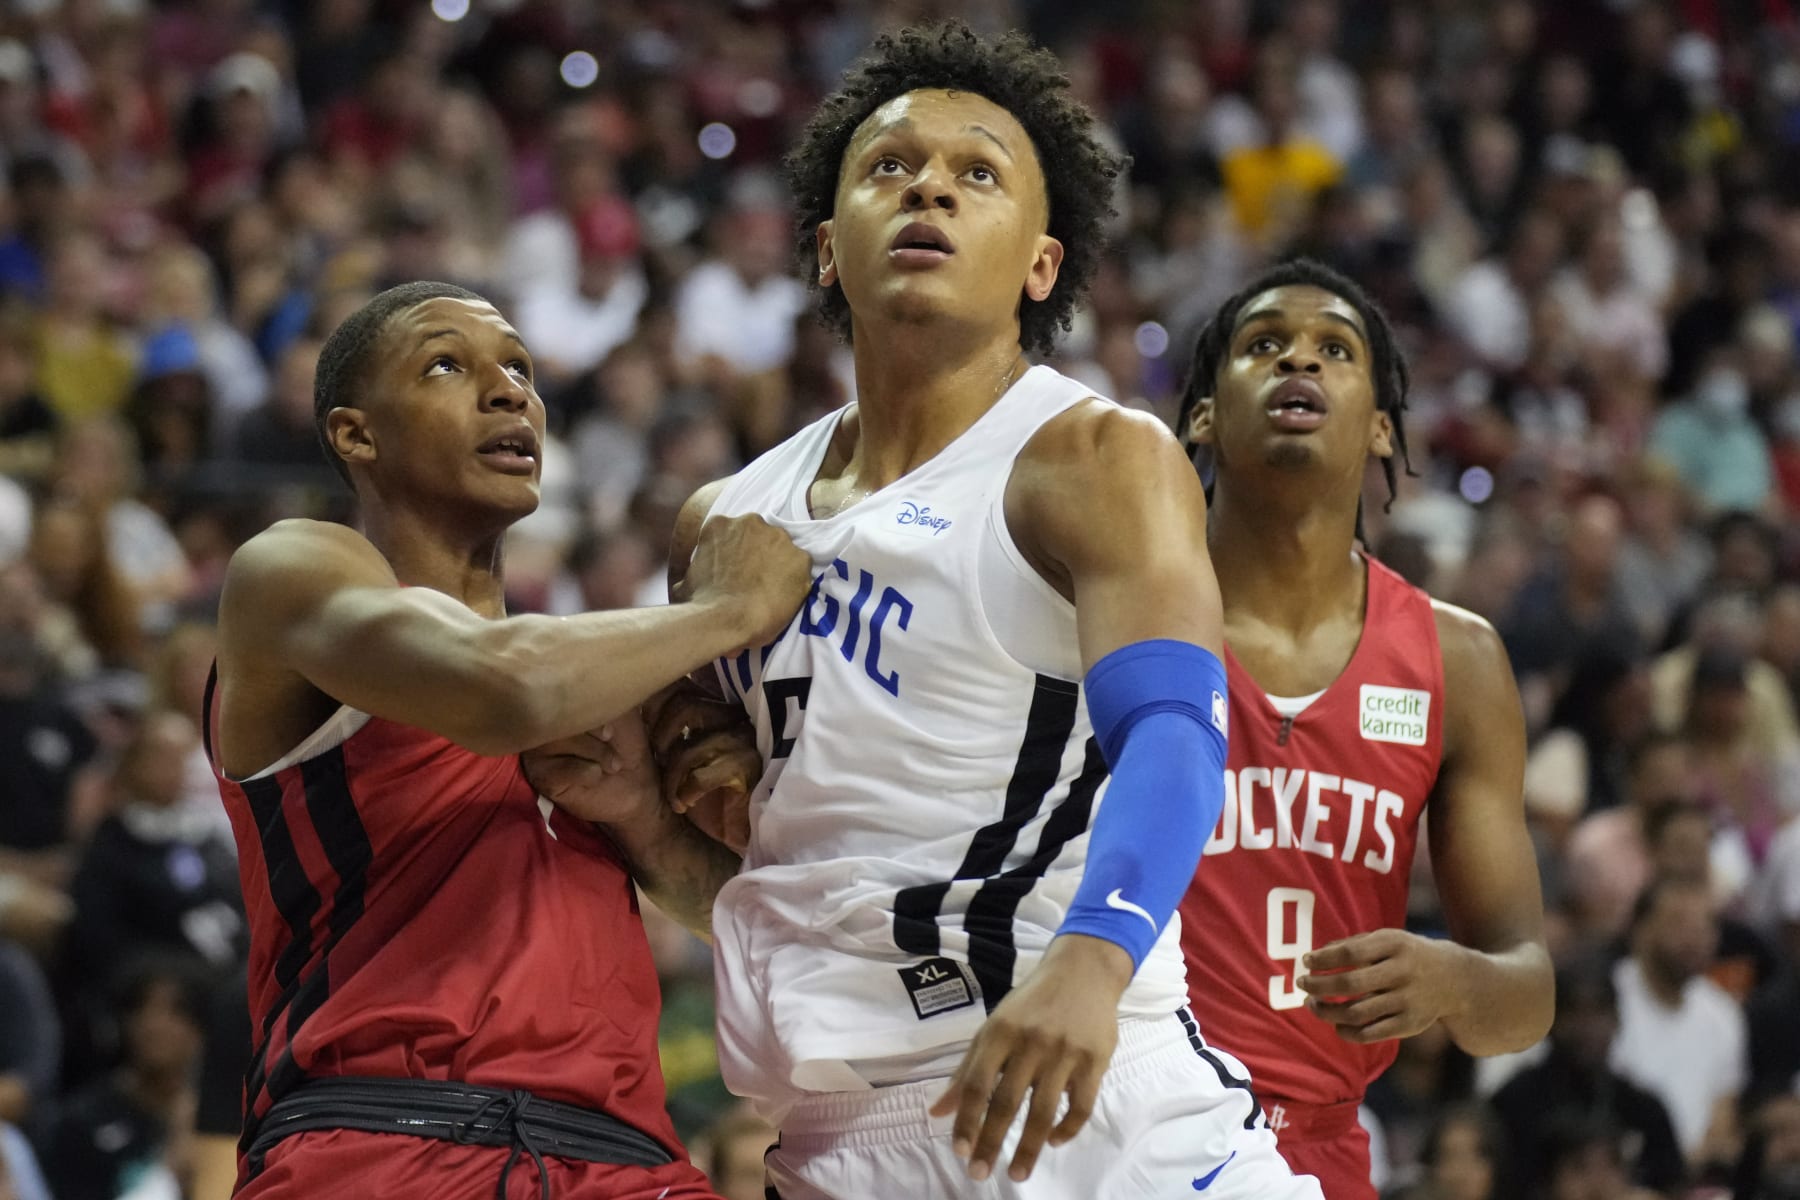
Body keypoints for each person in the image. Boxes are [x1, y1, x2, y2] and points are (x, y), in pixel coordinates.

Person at [534, 23, 1320, 1200]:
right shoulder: (724, 523)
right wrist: (650, 828)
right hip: (835, 1136)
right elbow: (793, 886)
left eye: (979, 172)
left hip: (1086, 1100)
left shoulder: (1089, 458)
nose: (931, 188)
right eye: (890, 167)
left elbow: (1177, 734)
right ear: (822, 249)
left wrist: (1094, 964)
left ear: (1041, 265)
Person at [207, 280, 812, 1199]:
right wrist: (733, 609)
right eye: (448, 364)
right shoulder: (295, 570)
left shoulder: (585, 663)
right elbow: (502, 686)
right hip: (382, 1139)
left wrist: (646, 823)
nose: (509, 393)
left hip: (630, 1159)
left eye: (522, 371)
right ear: (355, 434)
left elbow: (722, 911)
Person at [1173, 258, 1553, 1199]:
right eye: (1263, 345)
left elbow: (1527, 989)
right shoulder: (1117, 611)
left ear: (1381, 424)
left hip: (1322, 1146)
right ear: (1204, 414)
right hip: (1121, 1121)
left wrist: (1451, 980)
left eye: (1334, 350)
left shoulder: (1456, 661)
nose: (1298, 359)